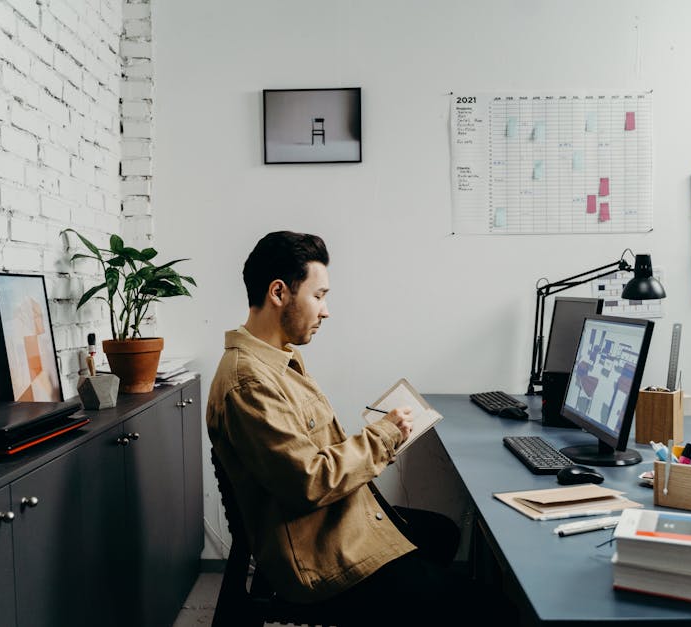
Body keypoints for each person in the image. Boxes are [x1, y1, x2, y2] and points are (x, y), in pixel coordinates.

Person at [207, 231, 497, 625]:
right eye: (319, 295)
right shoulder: (251, 383)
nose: (325, 310)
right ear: (279, 293)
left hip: (333, 523)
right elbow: (310, 481)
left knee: (443, 533)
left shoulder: (278, 359)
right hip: (317, 557)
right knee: (492, 609)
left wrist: (383, 434)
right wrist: (384, 435)